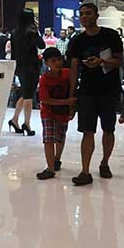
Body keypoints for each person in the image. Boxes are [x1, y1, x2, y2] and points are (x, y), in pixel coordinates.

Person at [68, 3, 124, 186]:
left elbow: (120, 60)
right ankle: (85, 171)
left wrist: (102, 62)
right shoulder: (77, 40)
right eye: (81, 14)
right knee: (87, 131)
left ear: (96, 15)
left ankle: (105, 163)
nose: (84, 17)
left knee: (108, 129)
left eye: (88, 13)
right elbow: (74, 69)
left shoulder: (111, 35)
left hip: (109, 89)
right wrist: (71, 95)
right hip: (87, 91)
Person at [36, 48, 76, 180]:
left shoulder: (67, 73)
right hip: (48, 113)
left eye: (59, 59)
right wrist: (66, 102)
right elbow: (45, 99)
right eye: (53, 61)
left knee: (60, 137)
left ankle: (57, 159)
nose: (57, 63)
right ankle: (50, 168)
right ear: (46, 62)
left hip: (63, 113)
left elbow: (73, 90)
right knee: (48, 139)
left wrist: (71, 107)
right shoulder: (44, 79)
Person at [8, 9, 46, 136]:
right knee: (29, 94)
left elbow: (13, 52)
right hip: (31, 66)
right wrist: (37, 32)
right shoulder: (32, 31)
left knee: (25, 93)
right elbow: (42, 45)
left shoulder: (14, 32)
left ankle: (14, 120)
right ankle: (27, 124)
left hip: (19, 66)